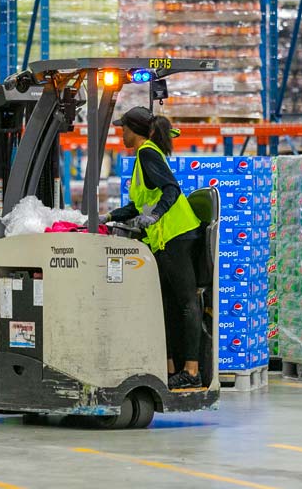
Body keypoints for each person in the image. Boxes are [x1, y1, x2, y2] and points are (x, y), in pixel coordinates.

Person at [100, 106, 204, 390]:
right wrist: (108, 217)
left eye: (123, 128)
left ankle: (192, 371)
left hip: (177, 235)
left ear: (133, 130)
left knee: (186, 302)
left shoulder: (147, 152)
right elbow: (138, 204)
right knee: (166, 304)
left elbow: (171, 189)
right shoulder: (142, 157)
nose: (121, 134)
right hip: (163, 239)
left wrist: (154, 216)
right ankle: (170, 368)